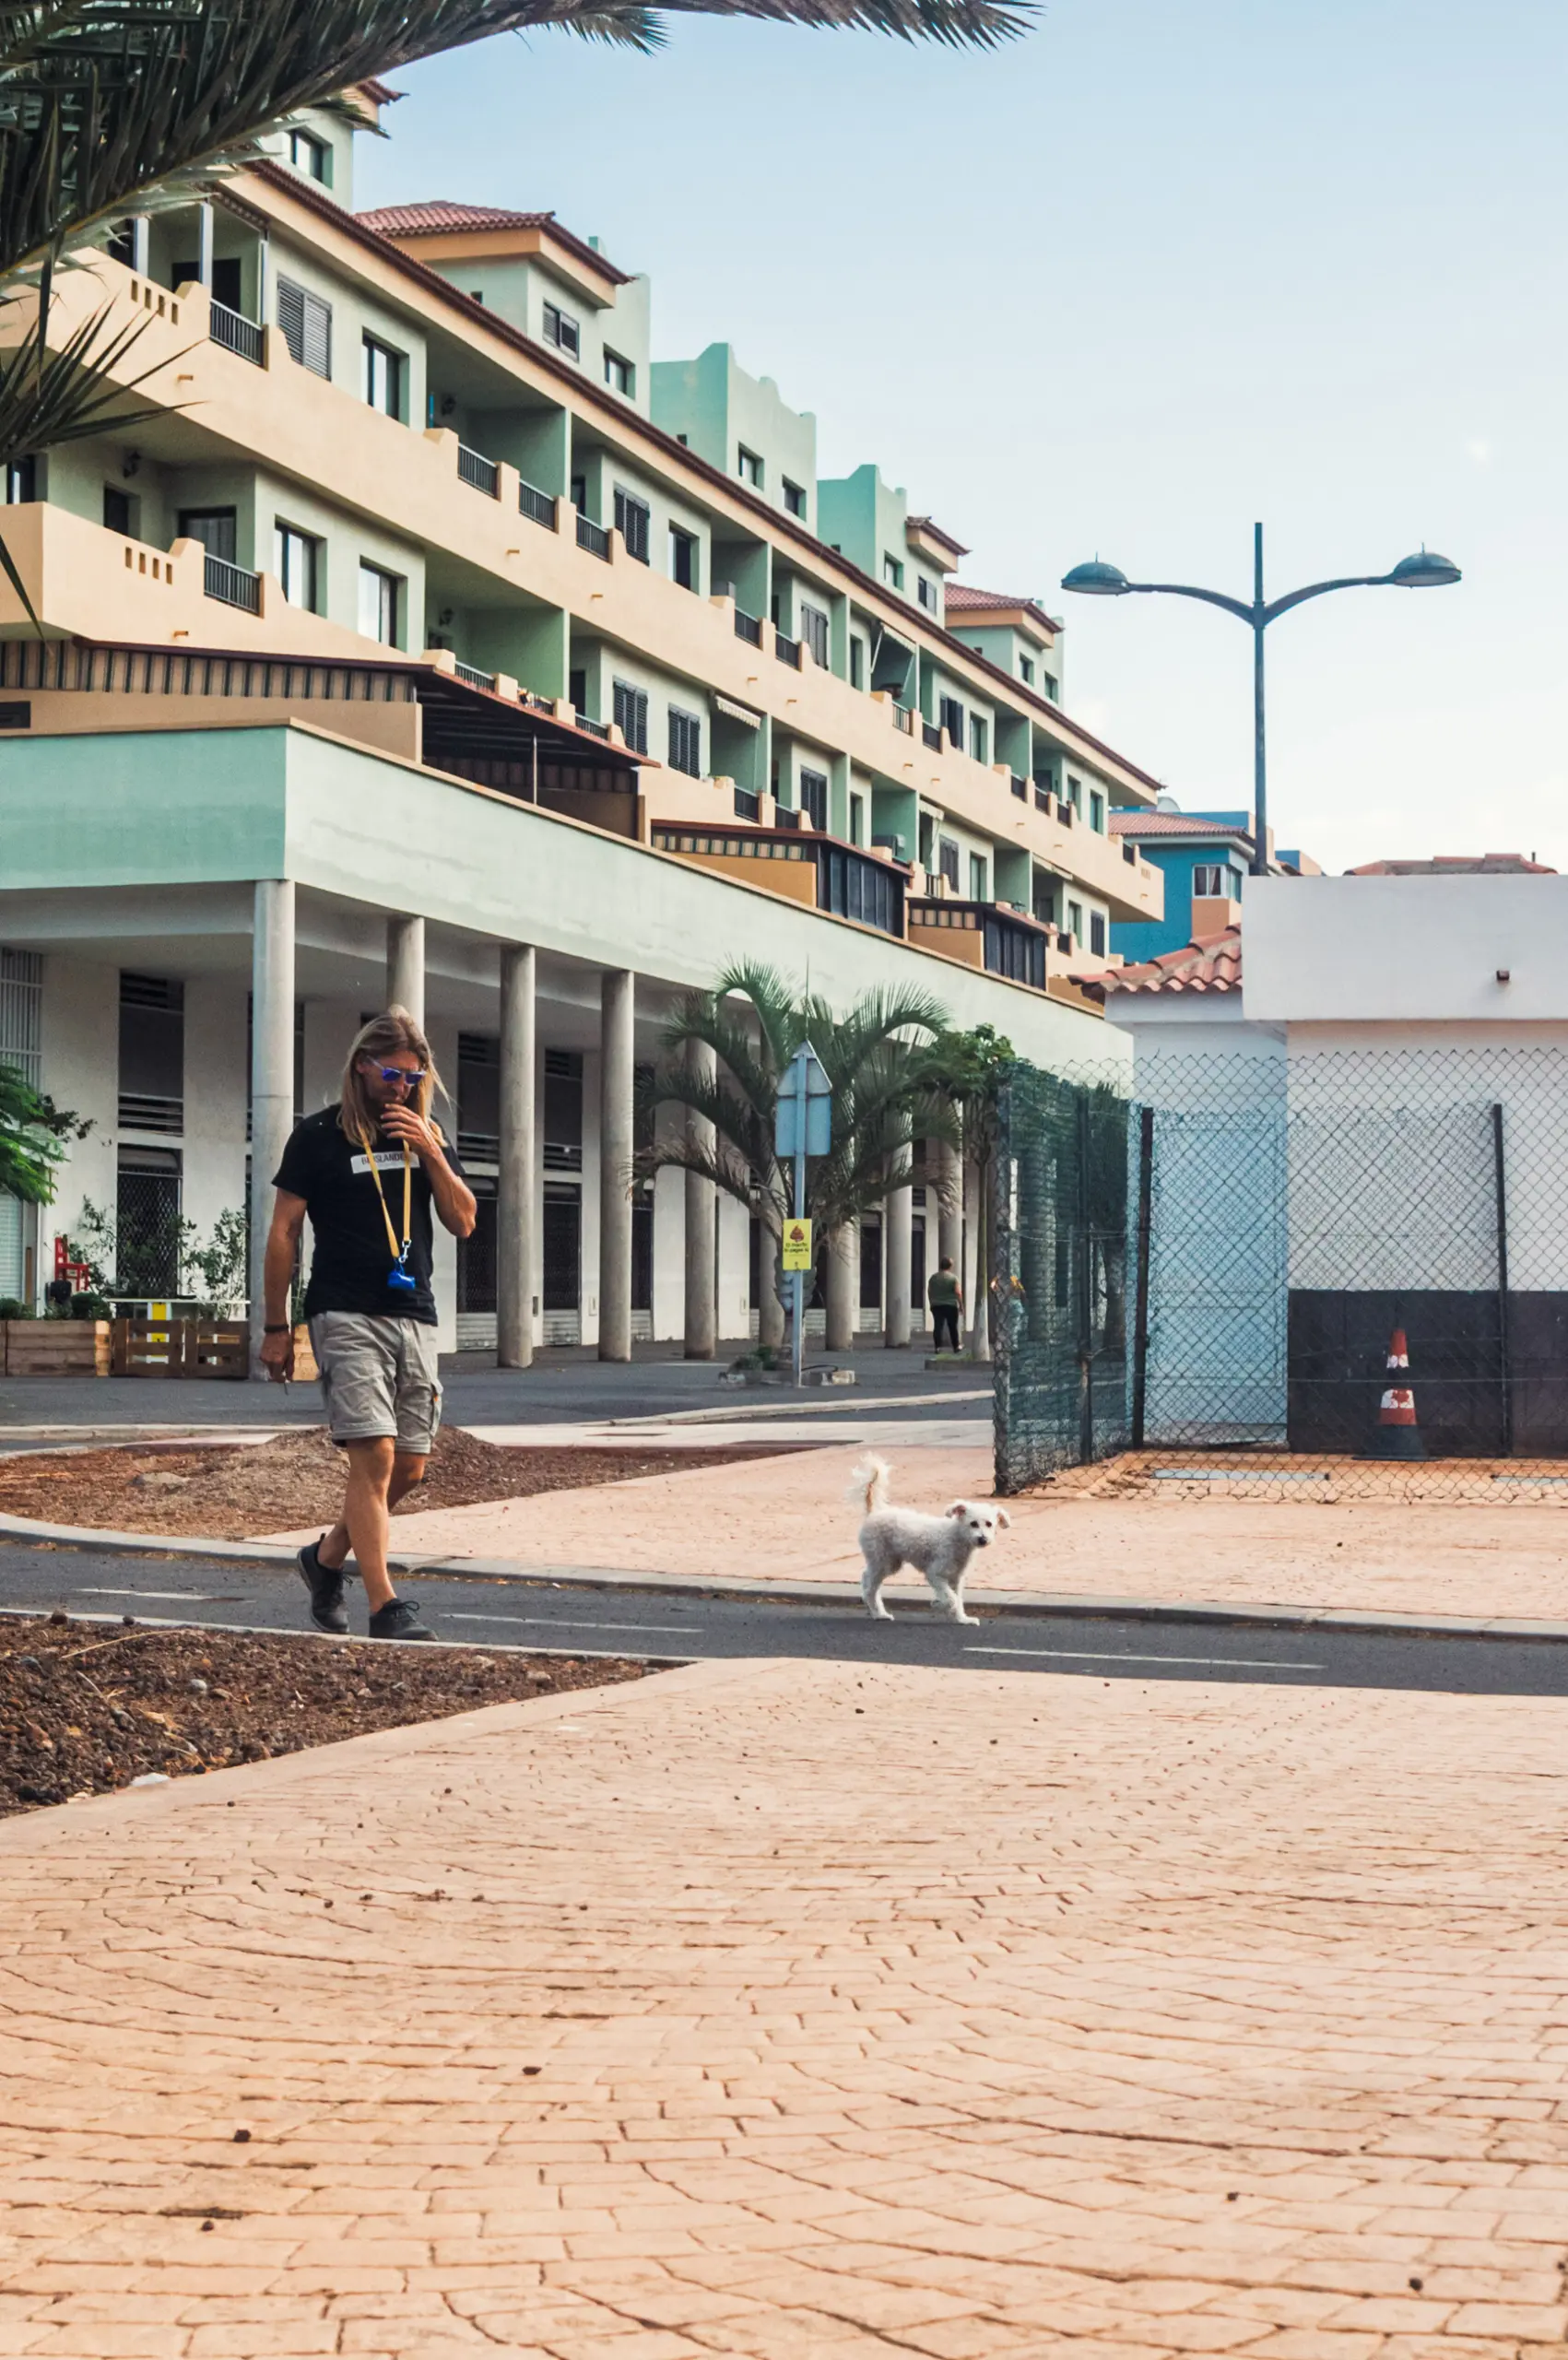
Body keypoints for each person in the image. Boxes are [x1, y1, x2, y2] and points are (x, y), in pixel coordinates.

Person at [260, 1008, 477, 1641]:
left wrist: (431, 1150)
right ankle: (386, 1607)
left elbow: (463, 1221)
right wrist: (277, 1326)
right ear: (361, 1065)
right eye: (390, 1073)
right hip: (343, 1310)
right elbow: (283, 1232)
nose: (401, 1087)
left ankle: (324, 1561)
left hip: (414, 1313)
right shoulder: (319, 1136)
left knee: (409, 1467)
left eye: (412, 1076)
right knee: (374, 1455)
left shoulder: (425, 1132)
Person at [927, 1256, 963, 1354]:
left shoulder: (933, 1278)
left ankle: (937, 1347)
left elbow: (929, 1291)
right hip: (951, 1305)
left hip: (937, 1305)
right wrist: (961, 1305)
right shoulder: (953, 1278)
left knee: (938, 1326)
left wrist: (931, 1302)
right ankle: (956, 1346)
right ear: (950, 1266)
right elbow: (958, 1293)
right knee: (952, 1326)